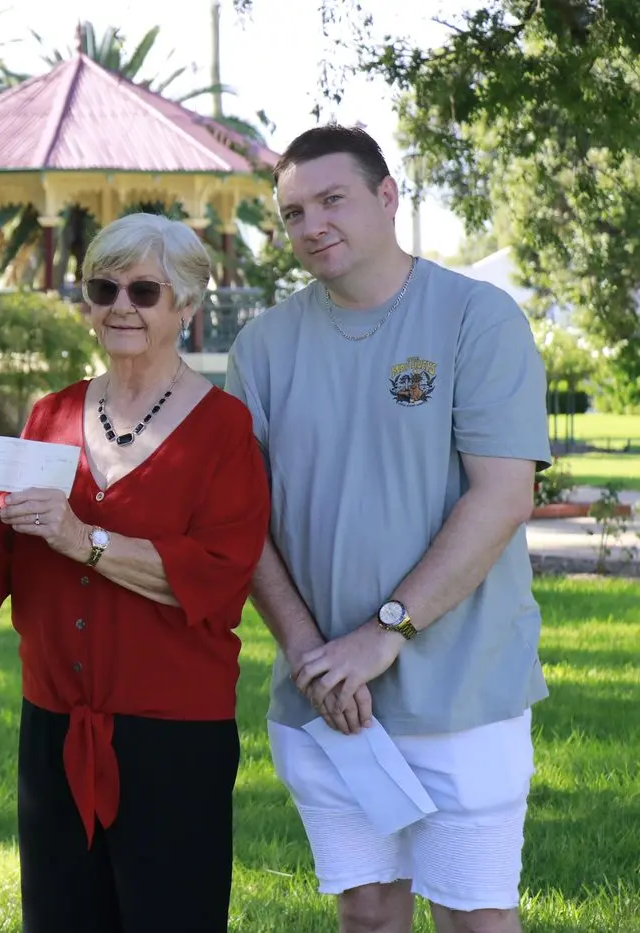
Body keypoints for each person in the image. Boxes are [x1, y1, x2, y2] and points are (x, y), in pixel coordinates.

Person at [224, 124, 549, 933]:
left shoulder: (476, 318)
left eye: (331, 199)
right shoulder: (262, 347)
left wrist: (383, 632)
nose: (312, 225)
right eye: (293, 211)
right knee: (366, 914)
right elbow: (242, 521)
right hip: (325, 700)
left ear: (386, 195)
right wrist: (308, 654)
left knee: (475, 918)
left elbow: (501, 495)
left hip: (462, 693)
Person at [0, 212, 270, 931]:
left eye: (145, 290)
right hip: (53, 726)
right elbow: (3, 565)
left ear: (186, 304)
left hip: (172, 738)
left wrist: (81, 537)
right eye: (103, 286)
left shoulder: (223, 429)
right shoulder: (48, 413)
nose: (121, 304)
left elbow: (217, 577)